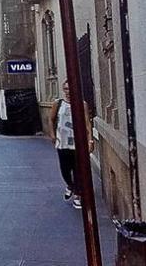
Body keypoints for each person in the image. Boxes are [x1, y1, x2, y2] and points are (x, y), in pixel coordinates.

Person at [47, 79, 94, 210]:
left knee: (78, 169)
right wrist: (52, 135)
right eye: (66, 89)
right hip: (62, 142)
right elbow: (51, 119)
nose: (68, 92)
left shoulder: (81, 104)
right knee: (65, 170)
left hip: (78, 143)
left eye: (70, 89)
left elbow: (87, 123)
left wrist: (90, 140)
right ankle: (70, 185)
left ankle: (77, 195)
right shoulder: (58, 104)